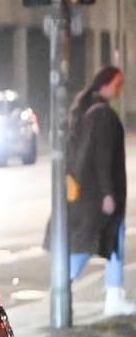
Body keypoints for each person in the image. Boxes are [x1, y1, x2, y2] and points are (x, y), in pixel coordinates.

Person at [65, 66, 130, 316]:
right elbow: (103, 157)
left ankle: (112, 296)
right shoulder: (102, 114)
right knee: (94, 244)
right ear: (107, 83)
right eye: (118, 83)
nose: (119, 88)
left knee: (110, 241)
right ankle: (67, 286)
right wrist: (108, 193)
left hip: (84, 191)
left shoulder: (83, 110)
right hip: (98, 194)